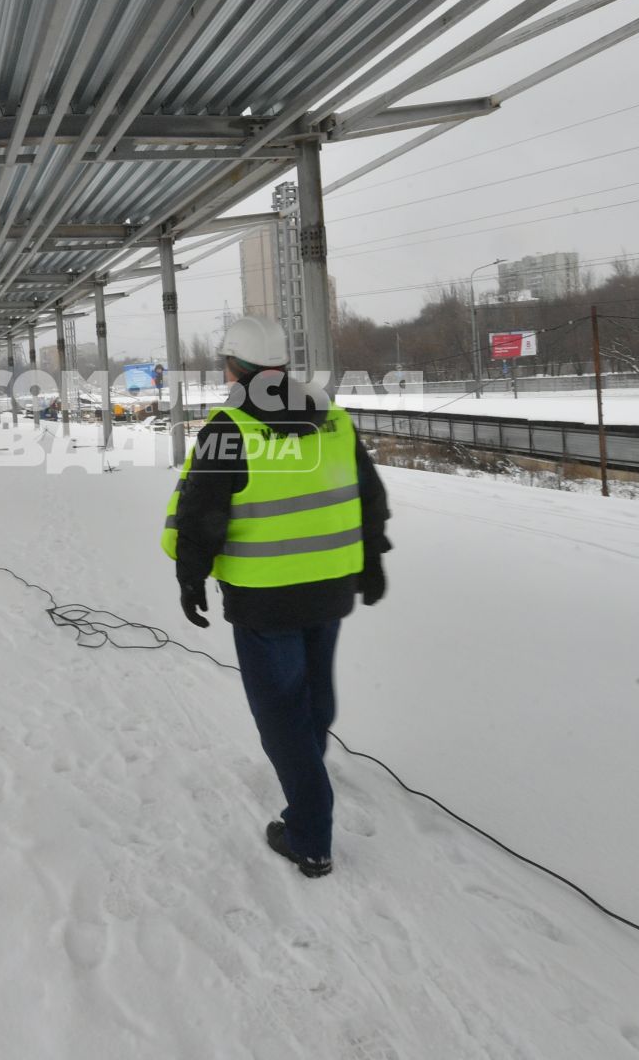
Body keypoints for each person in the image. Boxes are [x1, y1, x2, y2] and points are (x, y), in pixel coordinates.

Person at [161, 315, 390, 879]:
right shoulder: (332, 418)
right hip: (332, 588)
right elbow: (369, 494)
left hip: (265, 598)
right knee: (314, 696)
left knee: (280, 715)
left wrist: (191, 578)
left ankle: (310, 835)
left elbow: (200, 516)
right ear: (283, 366)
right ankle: (308, 774)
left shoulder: (229, 427)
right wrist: (373, 557)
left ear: (234, 368)